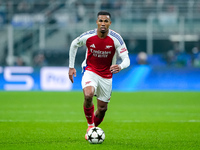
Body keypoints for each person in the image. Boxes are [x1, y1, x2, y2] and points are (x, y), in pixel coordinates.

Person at [68, 10, 130, 140]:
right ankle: (90, 126)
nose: (103, 23)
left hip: (106, 75)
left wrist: (120, 66)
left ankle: (91, 131)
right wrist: (71, 67)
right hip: (90, 70)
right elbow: (74, 44)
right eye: (100, 21)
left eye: (105, 21)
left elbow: (126, 59)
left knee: (102, 109)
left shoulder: (116, 38)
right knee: (88, 94)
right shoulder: (89, 36)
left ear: (110, 23)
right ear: (97, 22)